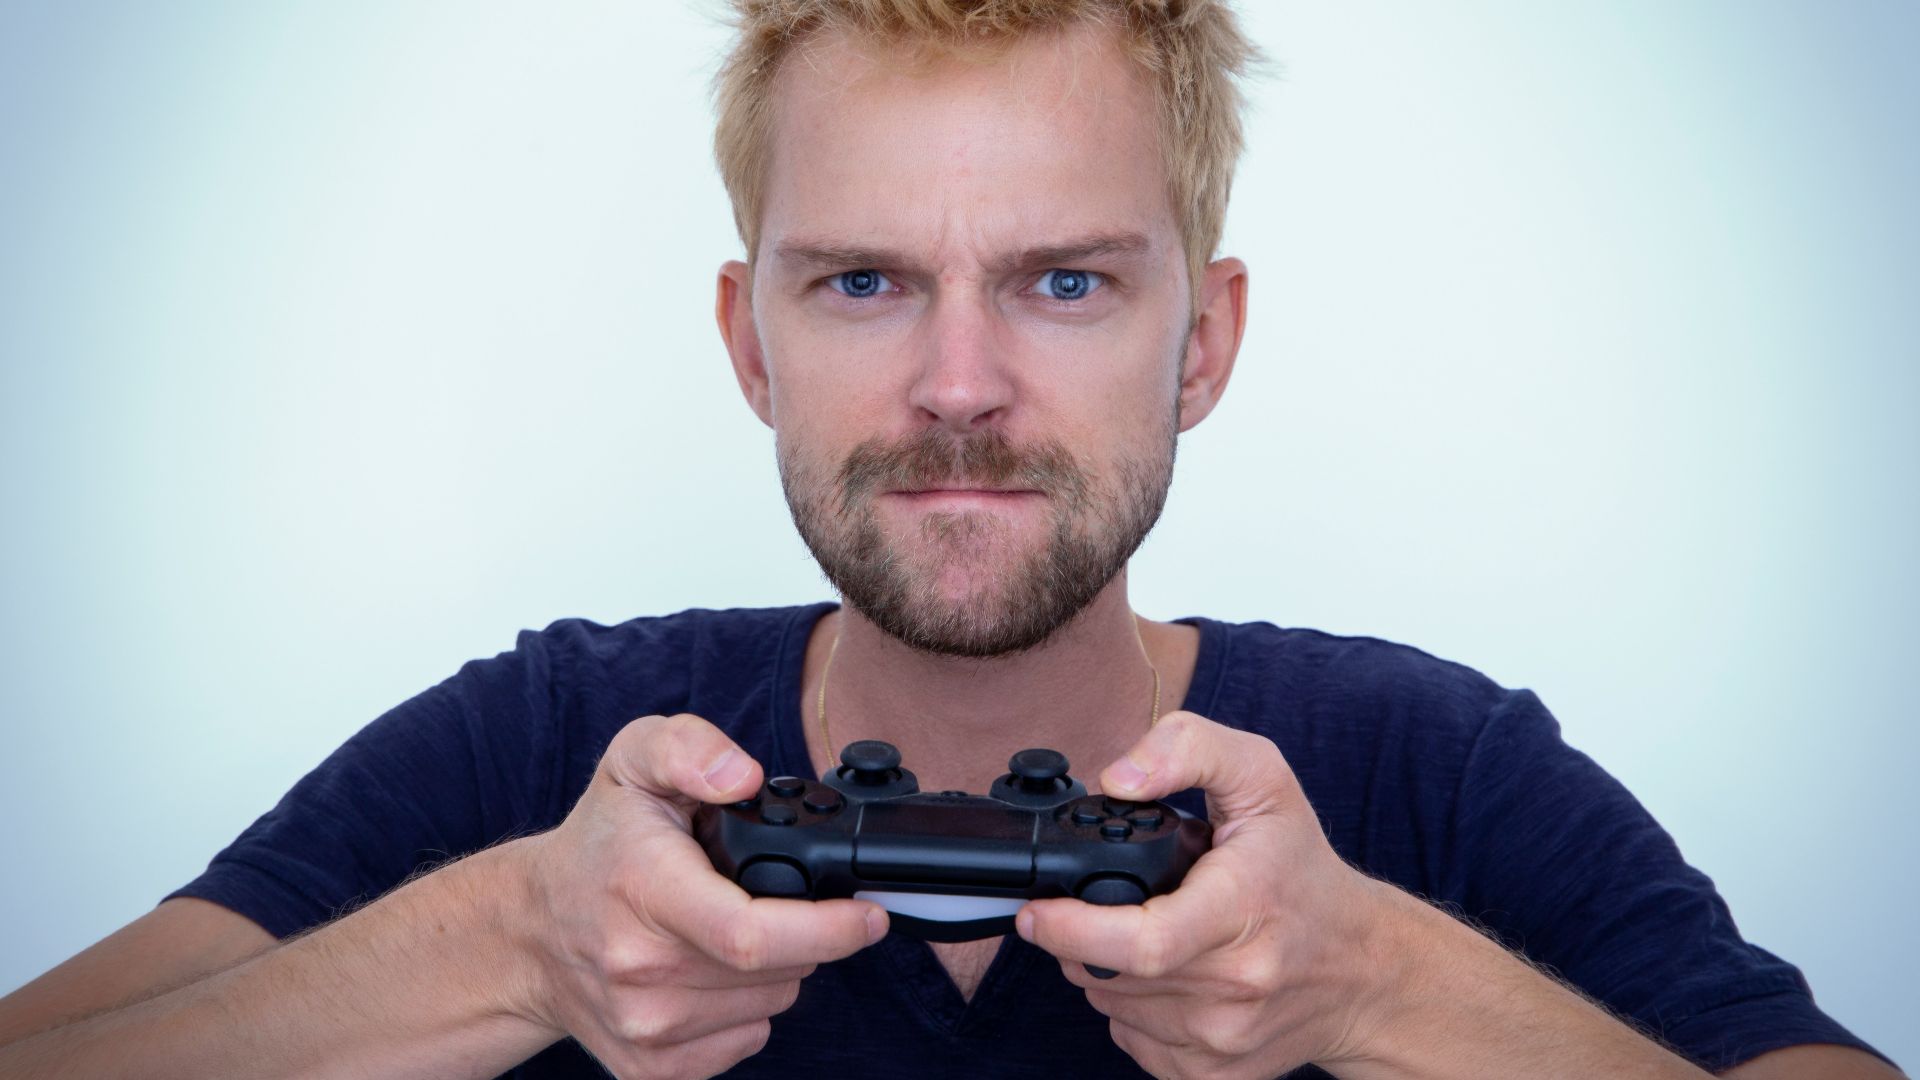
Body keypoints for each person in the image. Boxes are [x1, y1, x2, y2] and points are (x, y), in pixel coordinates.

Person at [0, 2, 1903, 1078]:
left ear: (1208, 341)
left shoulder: (1449, 771)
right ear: (752, 342)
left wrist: (1375, 986)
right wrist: (511, 947)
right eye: (863, 283)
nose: (961, 383)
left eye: (1065, 280)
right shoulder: (535, 752)